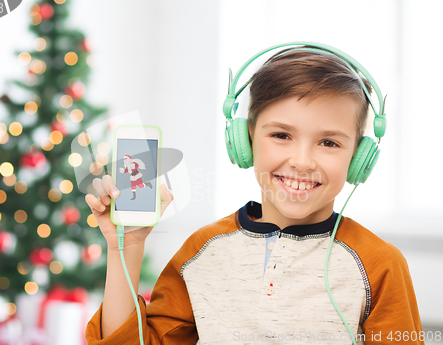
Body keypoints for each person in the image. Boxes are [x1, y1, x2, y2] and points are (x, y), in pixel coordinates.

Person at [84, 47, 424, 344]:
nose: (302, 161)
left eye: (329, 142)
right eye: (281, 135)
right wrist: (125, 248)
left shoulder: (380, 266)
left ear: (358, 160)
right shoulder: (201, 252)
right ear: (245, 141)